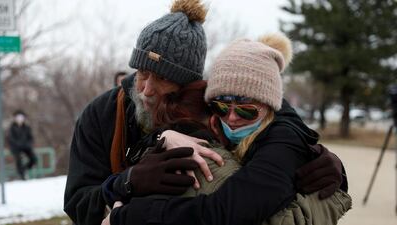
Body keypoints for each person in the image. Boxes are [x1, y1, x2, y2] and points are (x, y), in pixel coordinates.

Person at [64, 1, 345, 224]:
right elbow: (77, 203)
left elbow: (269, 108)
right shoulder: (100, 115)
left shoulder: (212, 104)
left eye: (161, 78)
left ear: (189, 85)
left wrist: (320, 158)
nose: (147, 89)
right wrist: (126, 182)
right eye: (142, 73)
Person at [102, 79, 351, 225]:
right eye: (222, 109)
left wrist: (121, 185)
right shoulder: (216, 164)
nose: (232, 119)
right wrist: (334, 194)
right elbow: (224, 212)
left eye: (245, 111)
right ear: (213, 120)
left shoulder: (154, 153)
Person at [7, 110, 37, 180]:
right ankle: (22, 174)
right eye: (18, 117)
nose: (20, 119)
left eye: (21, 117)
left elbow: (31, 138)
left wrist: (27, 145)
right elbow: (11, 139)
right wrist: (19, 145)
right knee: (18, 158)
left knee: (34, 158)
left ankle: (24, 169)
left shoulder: (27, 127)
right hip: (16, 148)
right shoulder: (11, 128)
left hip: (26, 147)